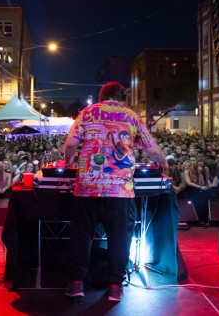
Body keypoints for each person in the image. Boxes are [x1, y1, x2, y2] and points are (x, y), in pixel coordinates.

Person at [63, 81, 168, 302]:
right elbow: (152, 149)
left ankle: (76, 284)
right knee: (119, 237)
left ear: (102, 96)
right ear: (122, 97)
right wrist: (164, 163)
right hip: (119, 189)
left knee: (82, 234)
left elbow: (71, 144)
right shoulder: (131, 116)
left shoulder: (88, 113)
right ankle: (114, 287)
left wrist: (68, 161)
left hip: (88, 186)